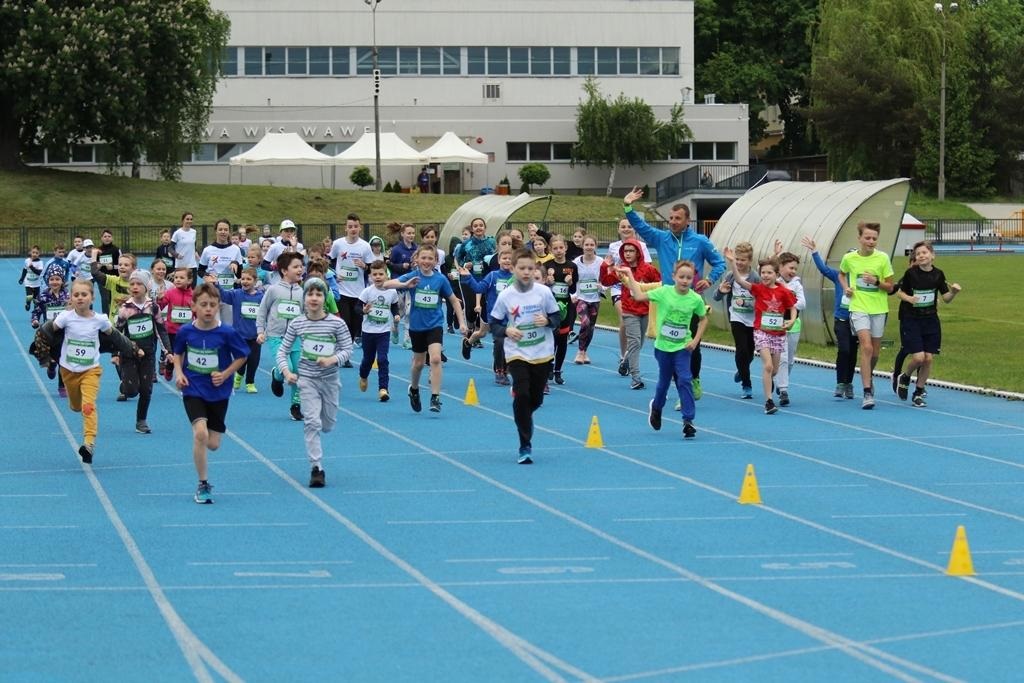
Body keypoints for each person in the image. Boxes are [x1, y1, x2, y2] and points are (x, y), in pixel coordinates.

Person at [623, 187, 725, 400]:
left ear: (687, 220)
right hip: (668, 301)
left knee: (691, 346)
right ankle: (679, 383)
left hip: (690, 301)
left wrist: (709, 280)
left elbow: (719, 263)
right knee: (668, 345)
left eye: (677, 218)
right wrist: (628, 206)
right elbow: (641, 227)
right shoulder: (662, 238)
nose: (672, 222)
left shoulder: (700, 241)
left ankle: (693, 379)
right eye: (670, 218)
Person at [172, 283, 249, 504]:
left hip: (218, 391)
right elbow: (178, 353)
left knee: (213, 444)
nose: (208, 309)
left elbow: (242, 355)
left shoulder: (227, 332)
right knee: (200, 434)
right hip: (193, 388)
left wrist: (225, 374)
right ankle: (203, 484)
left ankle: (205, 443)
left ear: (218, 307)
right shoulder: (186, 331)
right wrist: (179, 373)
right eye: (203, 304)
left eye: (212, 305)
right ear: (193, 306)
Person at [48, 279, 139, 463]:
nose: (80, 298)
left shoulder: (100, 320)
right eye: (76, 295)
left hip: (91, 370)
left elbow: (116, 337)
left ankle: (89, 444)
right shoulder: (65, 317)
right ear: (71, 298)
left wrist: (133, 348)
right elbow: (48, 333)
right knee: (76, 406)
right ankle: (76, 404)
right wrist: (44, 352)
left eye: (84, 294)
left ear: (92, 297)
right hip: (68, 371)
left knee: (88, 406)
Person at [278, 277, 353, 488]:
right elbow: (282, 351)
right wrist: (286, 371)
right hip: (307, 380)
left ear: (325, 298)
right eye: (310, 294)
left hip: (330, 380)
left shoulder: (336, 323)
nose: (314, 298)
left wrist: (332, 359)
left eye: (318, 294)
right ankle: (316, 468)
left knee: (327, 425)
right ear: (304, 298)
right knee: (312, 422)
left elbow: (348, 349)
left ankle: (324, 427)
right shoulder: (297, 323)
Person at [489, 248, 562, 464]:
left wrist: (547, 321)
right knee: (521, 394)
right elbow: (494, 323)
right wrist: (506, 331)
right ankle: (525, 444)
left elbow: (557, 317)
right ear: (513, 269)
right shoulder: (506, 296)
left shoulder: (543, 292)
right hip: (517, 352)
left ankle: (522, 413)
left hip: (542, 352)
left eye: (530, 268)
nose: (526, 272)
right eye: (522, 268)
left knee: (535, 399)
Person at [621, 259, 708, 438]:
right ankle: (657, 407)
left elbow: (703, 319)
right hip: (663, 347)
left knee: (685, 379)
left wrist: (695, 341)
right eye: (681, 277)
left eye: (689, 278)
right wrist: (629, 274)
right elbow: (638, 296)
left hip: (683, 347)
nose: (685, 281)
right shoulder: (664, 292)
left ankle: (688, 421)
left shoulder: (695, 299)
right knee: (664, 383)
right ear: (674, 276)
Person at [384, 245, 468, 413]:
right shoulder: (413, 276)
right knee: (418, 364)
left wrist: (462, 322)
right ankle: (414, 389)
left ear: (436, 261)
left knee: (435, 359)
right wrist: (405, 284)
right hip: (417, 326)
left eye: (430, 258)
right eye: (423, 258)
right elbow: (386, 284)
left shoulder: (440, 279)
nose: (427, 261)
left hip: (434, 325)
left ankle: (435, 397)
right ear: (417, 259)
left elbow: (454, 300)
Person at [725, 249, 797, 415]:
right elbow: (739, 280)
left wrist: (792, 320)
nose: (765, 275)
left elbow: (792, 307)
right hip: (761, 332)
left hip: (778, 334)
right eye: (763, 272)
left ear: (776, 275)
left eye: (769, 273)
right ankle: (768, 402)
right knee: (768, 366)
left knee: (775, 370)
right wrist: (732, 263)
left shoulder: (783, 291)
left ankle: (768, 384)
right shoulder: (757, 289)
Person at [894, 241, 961, 407]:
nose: (921, 256)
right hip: (911, 319)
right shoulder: (911, 274)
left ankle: (918, 392)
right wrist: (909, 298)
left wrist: (953, 292)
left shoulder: (938, 274)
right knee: (918, 357)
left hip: (930, 320)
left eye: (924, 252)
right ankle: (905, 376)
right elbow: (899, 293)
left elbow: (946, 298)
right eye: (918, 254)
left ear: (932, 255)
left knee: (928, 359)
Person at [838, 221, 895, 409]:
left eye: (874, 239)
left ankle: (868, 374)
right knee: (866, 347)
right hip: (858, 307)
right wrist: (846, 288)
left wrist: (876, 281)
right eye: (867, 238)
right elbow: (841, 274)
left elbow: (890, 287)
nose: (871, 241)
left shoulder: (883, 258)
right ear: (859, 239)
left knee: (875, 352)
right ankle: (867, 392)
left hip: (878, 309)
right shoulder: (849, 258)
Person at [115, 270, 172, 434]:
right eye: (132, 284)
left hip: (148, 354)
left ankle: (141, 421)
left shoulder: (153, 307)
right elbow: (117, 333)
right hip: (129, 354)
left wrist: (167, 351)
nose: (135, 287)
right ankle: (125, 386)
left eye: (139, 284)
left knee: (146, 390)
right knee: (132, 391)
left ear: (146, 287)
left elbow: (161, 330)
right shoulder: (125, 309)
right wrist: (115, 354)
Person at [802, 236, 858, 400]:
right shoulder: (838, 275)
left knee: (853, 353)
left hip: (857, 320)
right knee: (844, 350)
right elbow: (823, 269)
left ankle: (849, 383)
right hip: (841, 319)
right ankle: (840, 382)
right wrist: (814, 252)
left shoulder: (861, 278)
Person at [600, 239, 660, 390]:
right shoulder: (621, 269)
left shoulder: (648, 269)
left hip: (645, 310)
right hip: (629, 311)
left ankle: (626, 360)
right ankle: (636, 378)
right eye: (625, 251)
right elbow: (606, 281)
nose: (627, 254)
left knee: (639, 343)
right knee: (634, 342)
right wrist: (604, 266)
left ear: (638, 253)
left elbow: (661, 284)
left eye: (631, 251)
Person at [257, 251, 306, 420]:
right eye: (296, 267)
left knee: (298, 370)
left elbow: (305, 315)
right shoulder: (273, 290)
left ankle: (296, 405)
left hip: (295, 339)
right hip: (276, 336)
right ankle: (277, 376)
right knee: (288, 369)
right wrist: (260, 331)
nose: (300, 269)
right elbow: (262, 310)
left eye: (301, 266)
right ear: (284, 271)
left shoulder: (302, 292)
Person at [458, 248, 514, 384]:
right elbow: (478, 288)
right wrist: (468, 277)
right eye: (504, 258)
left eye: (510, 258)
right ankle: (499, 371)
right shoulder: (492, 276)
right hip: (495, 317)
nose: (507, 261)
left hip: (512, 318)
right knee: (499, 342)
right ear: (499, 260)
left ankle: (506, 369)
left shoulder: (516, 278)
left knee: (509, 344)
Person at [606, 219, 651, 374]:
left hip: (635, 288)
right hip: (619, 288)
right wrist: (609, 271)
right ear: (618, 230)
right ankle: (623, 355)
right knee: (624, 321)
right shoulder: (613, 246)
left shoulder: (642, 246)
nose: (626, 229)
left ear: (634, 229)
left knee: (639, 331)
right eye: (623, 227)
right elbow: (609, 266)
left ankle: (628, 357)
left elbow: (647, 266)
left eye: (629, 227)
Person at [713, 241, 757, 399]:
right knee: (741, 349)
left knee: (750, 352)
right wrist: (721, 290)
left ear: (750, 261)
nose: (739, 262)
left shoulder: (755, 277)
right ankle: (747, 384)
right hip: (736, 317)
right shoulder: (730, 276)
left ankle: (742, 369)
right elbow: (716, 297)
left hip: (753, 319)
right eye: (737, 259)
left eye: (743, 260)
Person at [213, 266, 264, 393]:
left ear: (255, 281)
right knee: (242, 359)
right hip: (240, 335)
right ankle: (239, 375)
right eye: (243, 279)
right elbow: (224, 296)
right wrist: (217, 285)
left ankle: (250, 382)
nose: (245, 281)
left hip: (255, 335)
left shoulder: (261, 297)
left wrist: (263, 330)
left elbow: (265, 312)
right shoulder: (236, 294)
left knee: (253, 360)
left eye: (248, 279)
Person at [328, 213, 374, 350]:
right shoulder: (338, 244)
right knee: (345, 322)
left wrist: (364, 266)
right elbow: (329, 261)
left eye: (355, 226)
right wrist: (334, 275)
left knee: (355, 325)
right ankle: (344, 351)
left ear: (360, 228)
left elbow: (371, 268)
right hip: (342, 290)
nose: (353, 229)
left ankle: (346, 348)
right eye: (350, 226)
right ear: (345, 228)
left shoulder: (365, 246)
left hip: (358, 292)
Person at [358, 260, 401, 401]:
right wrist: (364, 311)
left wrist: (396, 314)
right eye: (374, 274)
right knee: (368, 360)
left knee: (382, 359)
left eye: (381, 274)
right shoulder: (367, 292)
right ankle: (363, 376)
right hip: (368, 331)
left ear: (386, 275)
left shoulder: (392, 291)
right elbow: (357, 308)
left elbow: (394, 305)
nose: (377, 277)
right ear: (370, 276)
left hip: (383, 331)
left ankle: (383, 389)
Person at [543, 235, 578, 387]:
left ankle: (558, 371)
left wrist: (570, 283)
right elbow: (540, 287)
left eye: (561, 248)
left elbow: (574, 290)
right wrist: (548, 283)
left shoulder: (572, 266)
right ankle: (549, 366)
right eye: (555, 248)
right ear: (550, 250)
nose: (558, 251)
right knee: (551, 339)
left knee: (562, 341)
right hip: (550, 308)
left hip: (565, 308)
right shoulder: (547, 265)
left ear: (566, 248)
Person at [31, 265, 70, 397]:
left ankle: (62, 386)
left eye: (57, 279)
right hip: (49, 332)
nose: (54, 282)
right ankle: (51, 365)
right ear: (48, 280)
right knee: (53, 357)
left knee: (63, 359)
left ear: (62, 280)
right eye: (52, 279)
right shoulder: (43, 296)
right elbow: (36, 311)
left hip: (65, 332)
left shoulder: (67, 295)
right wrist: (35, 321)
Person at [773, 249, 805, 407]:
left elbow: (802, 303)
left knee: (790, 359)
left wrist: (789, 303)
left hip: (793, 325)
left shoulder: (797, 285)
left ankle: (781, 381)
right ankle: (784, 389)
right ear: (780, 267)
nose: (793, 271)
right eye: (790, 268)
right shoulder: (774, 282)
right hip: (777, 325)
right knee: (783, 358)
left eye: (795, 269)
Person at [198, 218, 245, 324]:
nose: (223, 232)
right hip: (212, 292)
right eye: (220, 229)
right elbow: (200, 270)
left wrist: (235, 263)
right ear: (216, 231)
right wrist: (207, 277)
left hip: (229, 293)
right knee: (214, 324)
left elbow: (239, 275)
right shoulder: (208, 250)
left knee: (228, 325)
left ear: (229, 232)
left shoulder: (235, 249)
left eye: (225, 229)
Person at [572, 235, 602, 365]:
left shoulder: (601, 262)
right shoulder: (576, 263)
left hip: (595, 298)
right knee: (585, 323)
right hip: (581, 298)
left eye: (591, 245)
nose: (589, 247)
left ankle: (584, 351)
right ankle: (580, 351)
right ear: (582, 246)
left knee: (591, 327)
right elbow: (572, 280)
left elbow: (607, 279)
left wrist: (602, 287)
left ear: (595, 246)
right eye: (587, 245)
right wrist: (573, 294)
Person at [262, 219, 306, 285]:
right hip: (278, 281)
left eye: (292, 231)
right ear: (280, 233)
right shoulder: (274, 247)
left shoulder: (299, 246)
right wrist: (276, 267)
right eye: (286, 231)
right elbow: (264, 265)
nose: (289, 233)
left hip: (294, 281)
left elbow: (302, 264)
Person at [94, 230, 122, 316]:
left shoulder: (117, 250)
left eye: (109, 236)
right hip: (103, 279)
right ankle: (105, 317)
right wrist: (97, 266)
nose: (107, 238)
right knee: (105, 300)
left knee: (115, 298)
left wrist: (113, 267)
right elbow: (93, 265)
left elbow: (121, 265)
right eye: (105, 236)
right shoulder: (97, 251)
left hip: (115, 278)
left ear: (112, 238)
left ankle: (117, 316)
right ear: (101, 238)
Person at [171, 212, 198, 284]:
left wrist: (196, 251)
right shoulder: (177, 233)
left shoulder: (194, 232)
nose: (189, 221)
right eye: (187, 219)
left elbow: (193, 244)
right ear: (183, 220)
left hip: (192, 265)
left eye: (191, 219)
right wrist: (176, 255)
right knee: (180, 287)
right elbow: (170, 248)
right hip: (181, 266)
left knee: (192, 288)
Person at [18, 245, 44, 311]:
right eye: (33, 252)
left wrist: (32, 267)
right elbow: (25, 270)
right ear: (30, 252)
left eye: (36, 253)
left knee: (36, 298)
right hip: (28, 282)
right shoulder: (27, 261)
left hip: (36, 283)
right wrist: (22, 279)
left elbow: (39, 273)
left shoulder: (40, 263)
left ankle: (35, 308)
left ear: (39, 254)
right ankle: (28, 304)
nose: (34, 254)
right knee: (29, 296)